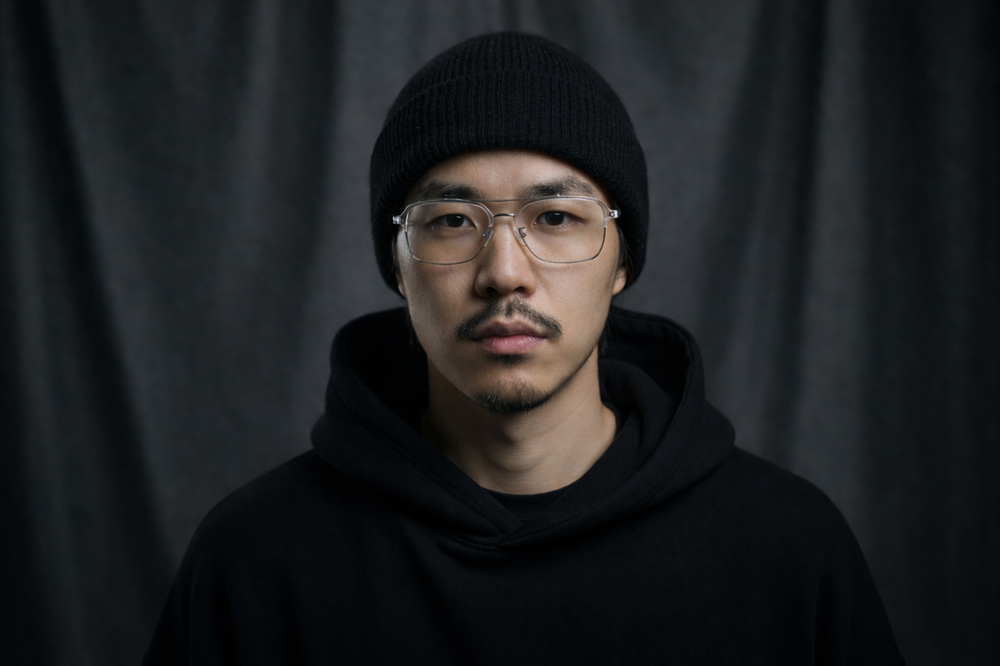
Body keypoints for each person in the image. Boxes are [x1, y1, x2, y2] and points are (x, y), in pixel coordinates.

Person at [144, 32, 904, 665]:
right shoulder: (256, 561)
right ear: (399, 268)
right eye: (452, 221)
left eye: (556, 218)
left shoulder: (785, 551)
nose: (504, 272)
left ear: (622, 260)